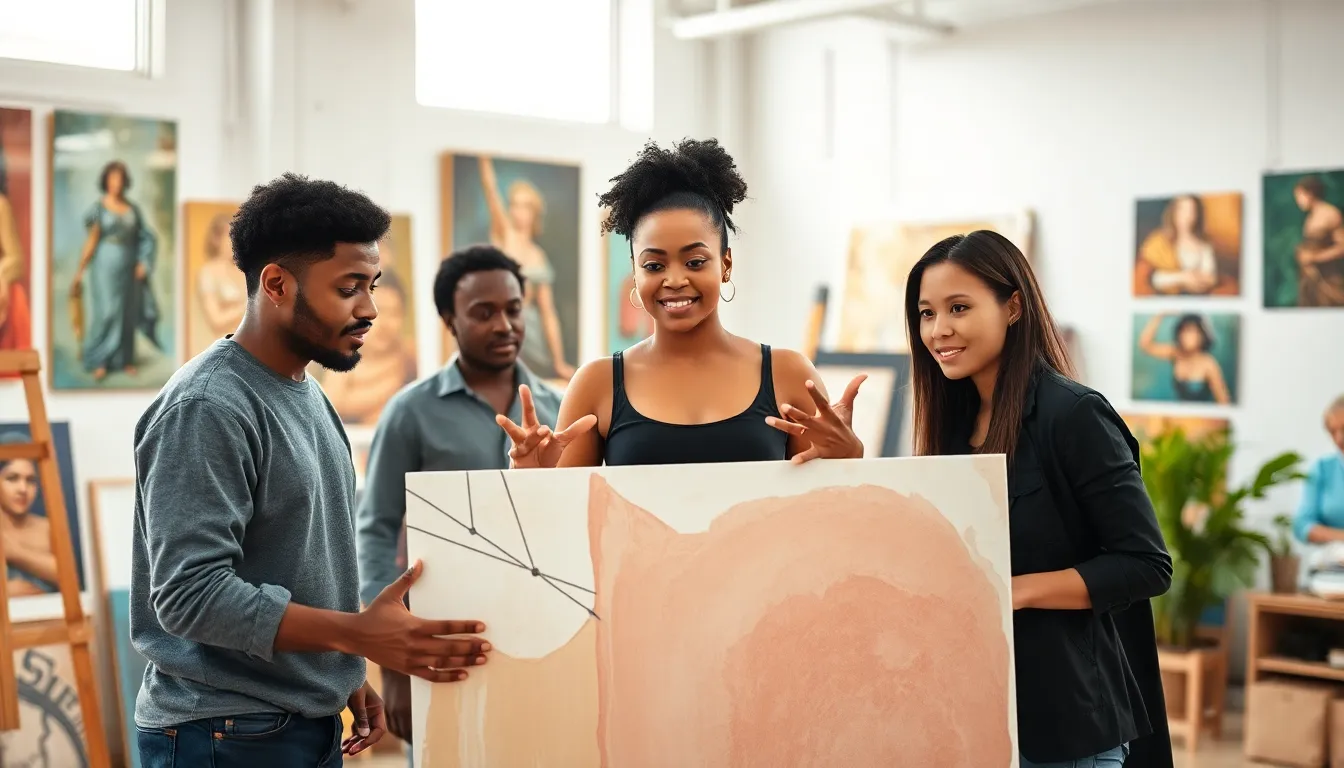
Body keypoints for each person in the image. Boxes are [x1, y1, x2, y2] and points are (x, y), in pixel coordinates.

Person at [130, 173, 490, 767]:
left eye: (372, 285)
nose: (370, 309)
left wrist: (340, 673)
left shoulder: (307, 393)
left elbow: (300, 559)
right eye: (349, 288)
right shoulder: (208, 406)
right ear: (276, 283)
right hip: (220, 733)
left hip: (294, 720)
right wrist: (355, 636)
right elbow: (189, 595)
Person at [906, 230, 1173, 768]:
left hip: (1065, 728)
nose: (939, 330)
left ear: (1013, 307)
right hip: (976, 716)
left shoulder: (1072, 415)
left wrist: (1014, 591)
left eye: (959, 307)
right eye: (926, 313)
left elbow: (1146, 565)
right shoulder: (951, 425)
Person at [497, 137, 865, 469]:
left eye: (694, 262)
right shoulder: (597, 384)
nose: (674, 280)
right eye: (654, 265)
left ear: (725, 264)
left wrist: (850, 459)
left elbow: (825, 515)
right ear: (635, 273)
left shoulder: (788, 375)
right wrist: (533, 475)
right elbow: (565, 520)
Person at [354, 244, 561, 748]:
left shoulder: (561, 407)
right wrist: (395, 664)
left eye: (513, 310)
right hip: (443, 642)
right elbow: (375, 527)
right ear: (450, 319)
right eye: (483, 313)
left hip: (548, 634)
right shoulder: (411, 412)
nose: (504, 326)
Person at [70, 160, 164, 382]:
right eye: (112, 178)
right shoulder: (99, 208)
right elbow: (92, 241)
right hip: (104, 266)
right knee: (107, 312)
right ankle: (100, 361)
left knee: (126, 313)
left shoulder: (133, 210)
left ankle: (125, 360)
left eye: (120, 179)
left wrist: (144, 263)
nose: (116, 183)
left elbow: (147, 238)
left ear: (125, 182)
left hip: (129, 268)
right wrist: (79, 271)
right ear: (106, 180)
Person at [0, 431, 58, 596]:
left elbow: (69, 577)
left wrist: (15, 553)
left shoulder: (47, 528)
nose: (22, 489)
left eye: (30, 480)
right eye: (12, 478)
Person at [1137, 312, 1231, 404]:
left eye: (1191, 331)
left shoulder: (1209, 364)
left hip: (1200, 418)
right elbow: (1145, 345)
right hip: (1178, 416)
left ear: (1202, 335)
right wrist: (1160, 314)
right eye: (1183, 331)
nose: (1186, 336)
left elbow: (1224, 402)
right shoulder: (1176, 353)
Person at [1293, 394, 1344, 543]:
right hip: (1335, 561)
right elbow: (1302, 525)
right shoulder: (1322, 469)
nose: (1339, 439)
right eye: (1332, 431)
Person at [1293, 174, 1344, 306]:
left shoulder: (1330, 213)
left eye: (1299, 196)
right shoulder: (1311, 216)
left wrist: (1314, 257)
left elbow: (1342, 247)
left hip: (1328, 280)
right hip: (1311, 279)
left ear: (1310, 193)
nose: (1298, 201)